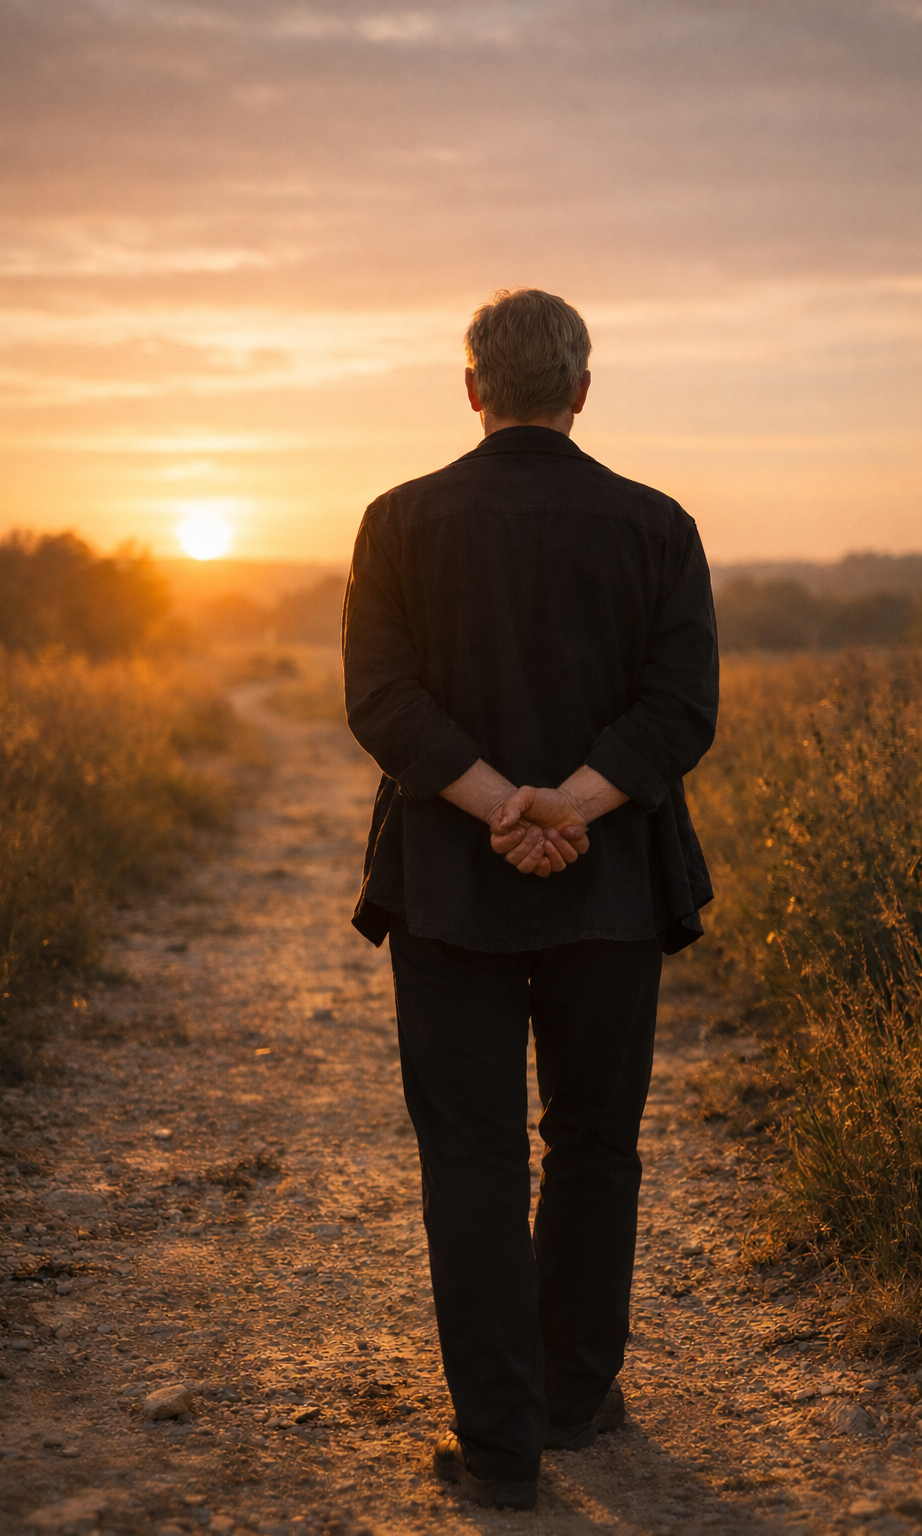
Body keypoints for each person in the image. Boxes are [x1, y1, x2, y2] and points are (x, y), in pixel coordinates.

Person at [341, 288, 718, 1511]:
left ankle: (501, 1450)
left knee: (472, 1160)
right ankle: (571, 1398)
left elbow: (381, 700)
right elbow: (680, 707)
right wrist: (570, 809)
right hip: (610, 885)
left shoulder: (398, 521)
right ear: (580, 389)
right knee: (597, 1145)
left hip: (452, 883)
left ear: (471, 389)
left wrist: (502, 804)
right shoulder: (657, 526)